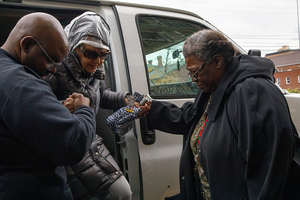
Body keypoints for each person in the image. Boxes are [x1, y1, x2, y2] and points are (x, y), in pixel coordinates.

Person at [145, 29, 300, 200]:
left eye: (195, 72)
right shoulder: (213, 87)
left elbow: (269, 174)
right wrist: (149, 108)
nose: (193, 79)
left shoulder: (252, 93)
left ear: (217, 61)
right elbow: (191, 118)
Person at [0, 12, 96, 200]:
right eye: (51, 59)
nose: (54, 69)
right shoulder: (23, 84)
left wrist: (57, 109)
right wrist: (84, 108)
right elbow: (74, 143)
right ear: (26, 44)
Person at [45, 11, 139, 200]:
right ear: (73, 46)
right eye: (91, 53)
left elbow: (100, 96)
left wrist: (129, 100)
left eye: (103, 54)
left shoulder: (94, 73)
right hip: (69, 147)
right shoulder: (53, 71)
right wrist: (63, 108)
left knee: (123, 193)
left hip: (90, 141)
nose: (97, 62)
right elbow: (37, 111)